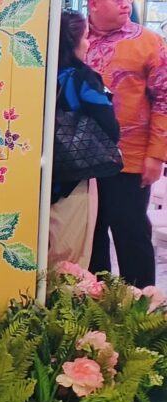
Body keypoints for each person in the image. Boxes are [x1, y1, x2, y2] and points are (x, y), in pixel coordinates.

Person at [87, 0, 167, 287]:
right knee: (90, 237)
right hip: (80, 160)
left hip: (130, 160)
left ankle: (142, 307)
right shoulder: (74, 38)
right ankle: (94, 304)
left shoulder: (150, 43)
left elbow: (164, 100)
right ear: (94, 4)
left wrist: (156, 155)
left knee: (131, 234)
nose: (126, 4)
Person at [49, 10, 120, 269]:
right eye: (85, 37)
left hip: (38, 175)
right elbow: (110, 128)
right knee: (69, 256)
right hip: (73, 178)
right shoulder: (82, 78)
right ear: (73, 42)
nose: (88, 43)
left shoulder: (38, 74)